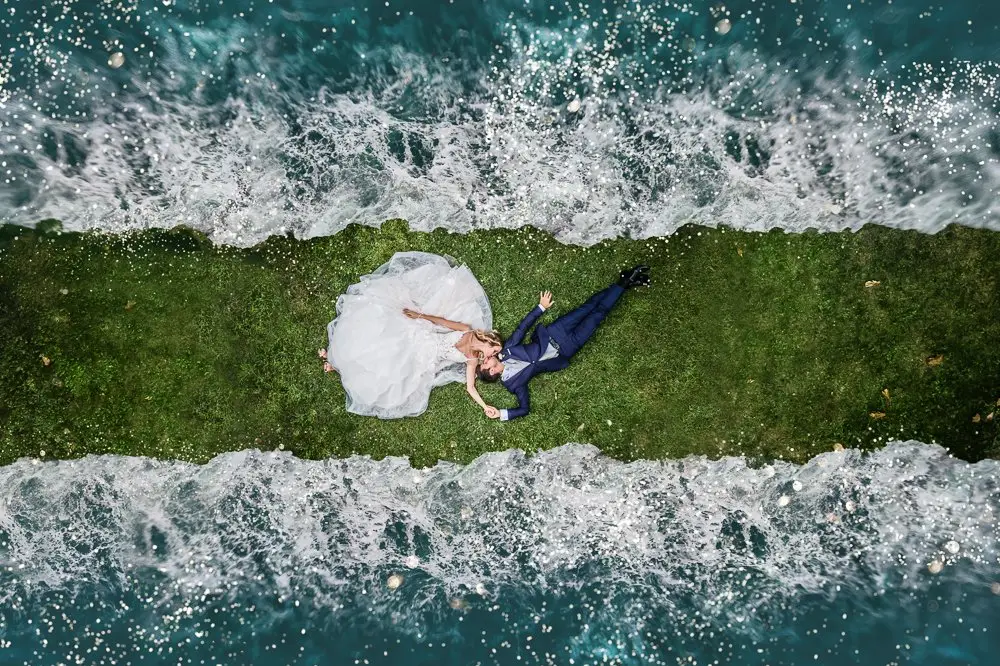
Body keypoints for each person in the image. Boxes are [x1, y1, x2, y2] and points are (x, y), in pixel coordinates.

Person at [319, 252, 503, 419]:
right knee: (382, 339)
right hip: (422, 335)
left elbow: (470, 387)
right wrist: (420, 316)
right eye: (494, 352)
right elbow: (442, 322)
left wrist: (484, 406)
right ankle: (337, 360)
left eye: (493, 356)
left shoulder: (471, 360)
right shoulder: (466, 329)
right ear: (491, 342)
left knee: (389, 366)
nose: (491, 356)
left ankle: (337, 364)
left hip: (423, 358)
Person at [477, 265, 650, 420]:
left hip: (555, 332)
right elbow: (524, 408)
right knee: (597, 316)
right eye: (485, 363)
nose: (486, 358)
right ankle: (625, 282)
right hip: (567, 349)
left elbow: (522, 328)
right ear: (491, 371)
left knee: (587, 308)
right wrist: (501, 413)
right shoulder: (513, 385)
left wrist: (541, 307)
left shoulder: (507, 349)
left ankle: (624, 282)